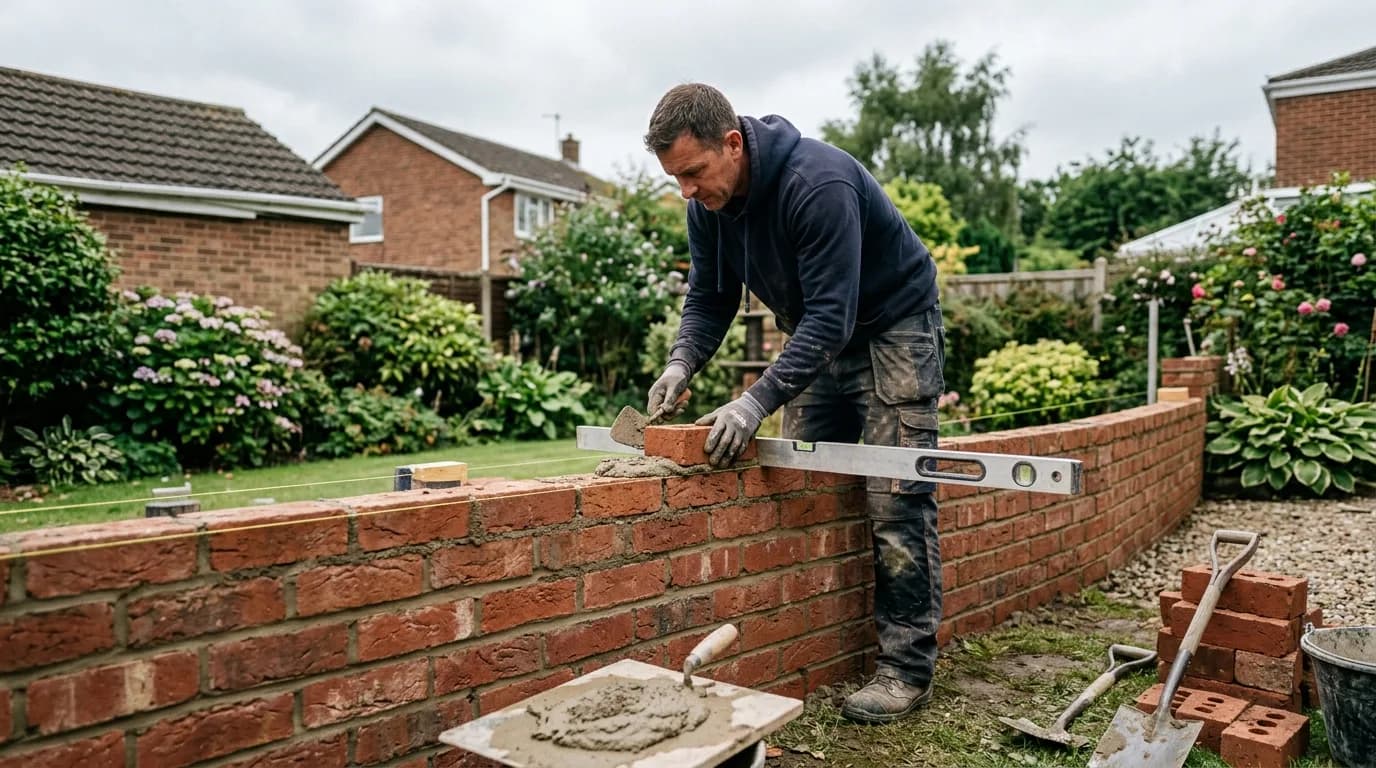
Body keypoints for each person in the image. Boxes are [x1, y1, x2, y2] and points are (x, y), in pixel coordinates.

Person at [642, 83, 947, 724]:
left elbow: (833, 316)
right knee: (796, 481)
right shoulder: (709, 207)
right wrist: (680, 363)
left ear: (733, 143)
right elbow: (709, 297)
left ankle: (904, 669)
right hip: (818, 334)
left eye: (693, 173)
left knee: (896, 496)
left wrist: (753, 403)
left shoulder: (819, 183)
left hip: (893, 328)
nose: (686, 192)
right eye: (675, 178)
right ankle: (811, 646)